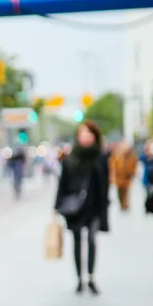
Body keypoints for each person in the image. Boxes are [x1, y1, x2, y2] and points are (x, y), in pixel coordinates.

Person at [55, 121, 110, 295]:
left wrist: (105, 206)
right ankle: (79, 279)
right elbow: (62, 183)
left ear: (95, 136)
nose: (85, 137)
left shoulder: (100, 157)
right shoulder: (71, 157)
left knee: (92, 239)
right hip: (75, 207)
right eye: (82, 133)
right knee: (78, 241)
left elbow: (105, 184)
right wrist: (56, 206)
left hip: (94, 205)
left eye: (88, 133)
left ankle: (91, 277)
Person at [109, 140, 139, 212]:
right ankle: (122, 204)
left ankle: (126, 205)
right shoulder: (116, 155)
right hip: (119, 178)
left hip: (127, 177)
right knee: (119, 192)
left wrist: (134, 173)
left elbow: (135, 165)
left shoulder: (132, 156)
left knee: (126, 192)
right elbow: (112, 164)